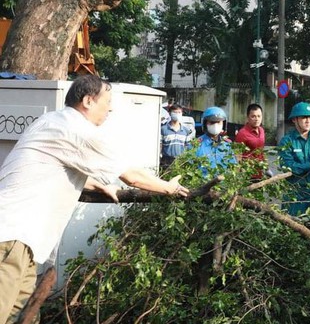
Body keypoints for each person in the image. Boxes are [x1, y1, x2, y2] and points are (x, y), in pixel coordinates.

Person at [0, 75, 188, 323]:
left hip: (23, 241)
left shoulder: (51, 120)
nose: (109, 109)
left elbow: (48, 167)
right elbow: (131, 175)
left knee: (21, 317)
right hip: (12, 238)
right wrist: (169, 188)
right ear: (88, 101)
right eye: (107, 101)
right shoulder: (77, 129)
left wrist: (95, 183)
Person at [195, 106, 237, 178]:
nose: (215, 125)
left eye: (218, 122)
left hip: (224, 186)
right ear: (205, 124)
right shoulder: (196, 145)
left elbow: (232, 167)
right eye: (212, 122)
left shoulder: (227, 145)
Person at [235, 103, 266, 180]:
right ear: (248, 117)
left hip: (260, 172)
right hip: (247, 174)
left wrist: (266, 167)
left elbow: (261, 151)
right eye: (253, 116)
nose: (257, 119)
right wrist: (238, 175)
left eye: (259, 116)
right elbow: (237, 155)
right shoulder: (242, 134)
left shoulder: (261, 130)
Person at [160, 104, 192, 168]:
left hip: (180, 162)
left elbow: (188, 148)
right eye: (174, 112)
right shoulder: (163, 129)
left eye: (179, 112)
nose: (177, 114)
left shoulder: (186, 130)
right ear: (169, 113)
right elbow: (159, 146)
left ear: (182, 113)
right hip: (166, 162)